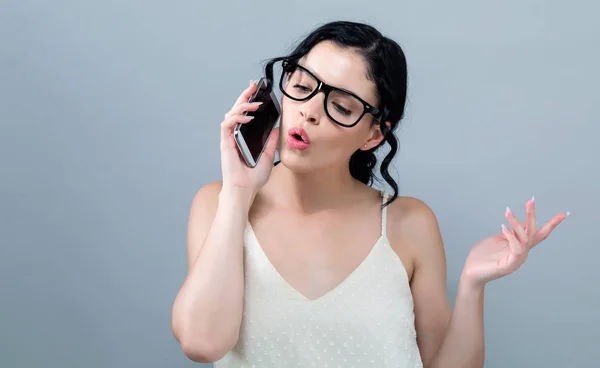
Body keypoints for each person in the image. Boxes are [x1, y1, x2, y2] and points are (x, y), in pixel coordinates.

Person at [171, 20, 568, 367]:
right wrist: (239, 193)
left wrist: (472, 286)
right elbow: (202, 343)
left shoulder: (409, 223)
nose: (309, 110)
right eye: (302, 86)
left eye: (341, 108)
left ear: (374, 134)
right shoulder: (218, 204)